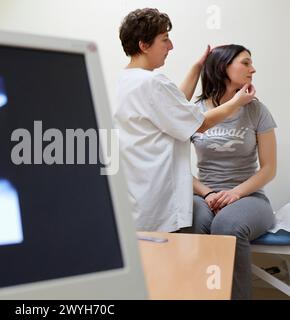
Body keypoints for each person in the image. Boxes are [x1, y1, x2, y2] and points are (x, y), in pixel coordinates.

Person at [114, 8, 256, 232]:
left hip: (137, 197)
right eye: (165, 39)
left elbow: (173, 108)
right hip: (157, 199)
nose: (170, 46)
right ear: (144, 45)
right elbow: (199, 123)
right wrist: (237, 103)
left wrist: (196, 68)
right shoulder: (153, 83)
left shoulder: (125, 81)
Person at [189, 45, 277, 300]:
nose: (253, 69)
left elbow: (269, 168)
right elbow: (173, 166)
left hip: (249, 197)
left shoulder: (256, 110)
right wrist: (209, 193)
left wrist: (235, 194)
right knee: (194, 222)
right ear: (223, 66)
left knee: (228, 224)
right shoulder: (194, 112)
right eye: (246, 63)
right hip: (204, 195)